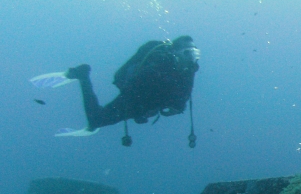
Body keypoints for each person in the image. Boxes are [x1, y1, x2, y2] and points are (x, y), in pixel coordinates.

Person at [31, 35, 200, 146]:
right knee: (95, 121)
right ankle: (83, 76)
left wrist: (175, 107)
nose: (192, 59)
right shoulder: (157, 66)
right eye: (188, 54)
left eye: (195, 54)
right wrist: (141, 111)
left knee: (98, 120)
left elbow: (183, 96)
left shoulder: (188, 70)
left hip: (144, 105)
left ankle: (81, 75)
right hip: (134, 101)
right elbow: (133, 89)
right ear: (175, 53)